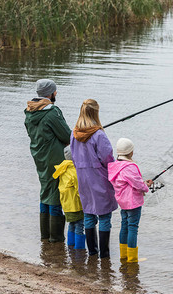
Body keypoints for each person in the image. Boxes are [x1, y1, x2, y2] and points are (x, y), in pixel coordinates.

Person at [24, 79, 71, 242]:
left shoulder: (29, 111)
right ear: (51, 93)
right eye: (55, 91)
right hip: (54, 158)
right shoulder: (52, 112)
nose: (56, 93)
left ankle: (45, 236)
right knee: (55, 194)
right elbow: (66, 136)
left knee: (45, 191)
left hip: (39, 155)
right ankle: (56, 238)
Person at [70, 99, 117, 258]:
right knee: (104, 216)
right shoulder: (98, 135)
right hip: (99, 178)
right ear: (95, 113)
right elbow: (108, 159)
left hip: (83, 178)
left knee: (88, 214)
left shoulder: (74, 134)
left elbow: (74, 157)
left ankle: (92, 252)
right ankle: (104, 255)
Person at [108, 138, 153, 263]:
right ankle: (132, 258)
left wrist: (142, 183)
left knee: (124, 226)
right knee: (133, 227)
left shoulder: (115, 166)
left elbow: (128, 182)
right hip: (133, 202)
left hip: (122, 201)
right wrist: (146, 186)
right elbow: (138, 184)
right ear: (131, 153)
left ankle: (123, 255)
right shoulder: (129, 167)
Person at [52, 146, 85, 250]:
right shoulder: (74, 171)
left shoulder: (63, 168)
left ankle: (70, 246)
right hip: (76, 205)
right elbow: (79, 190)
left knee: (71, 224)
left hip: (66, 205)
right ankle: (79, 249)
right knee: (79, 226)